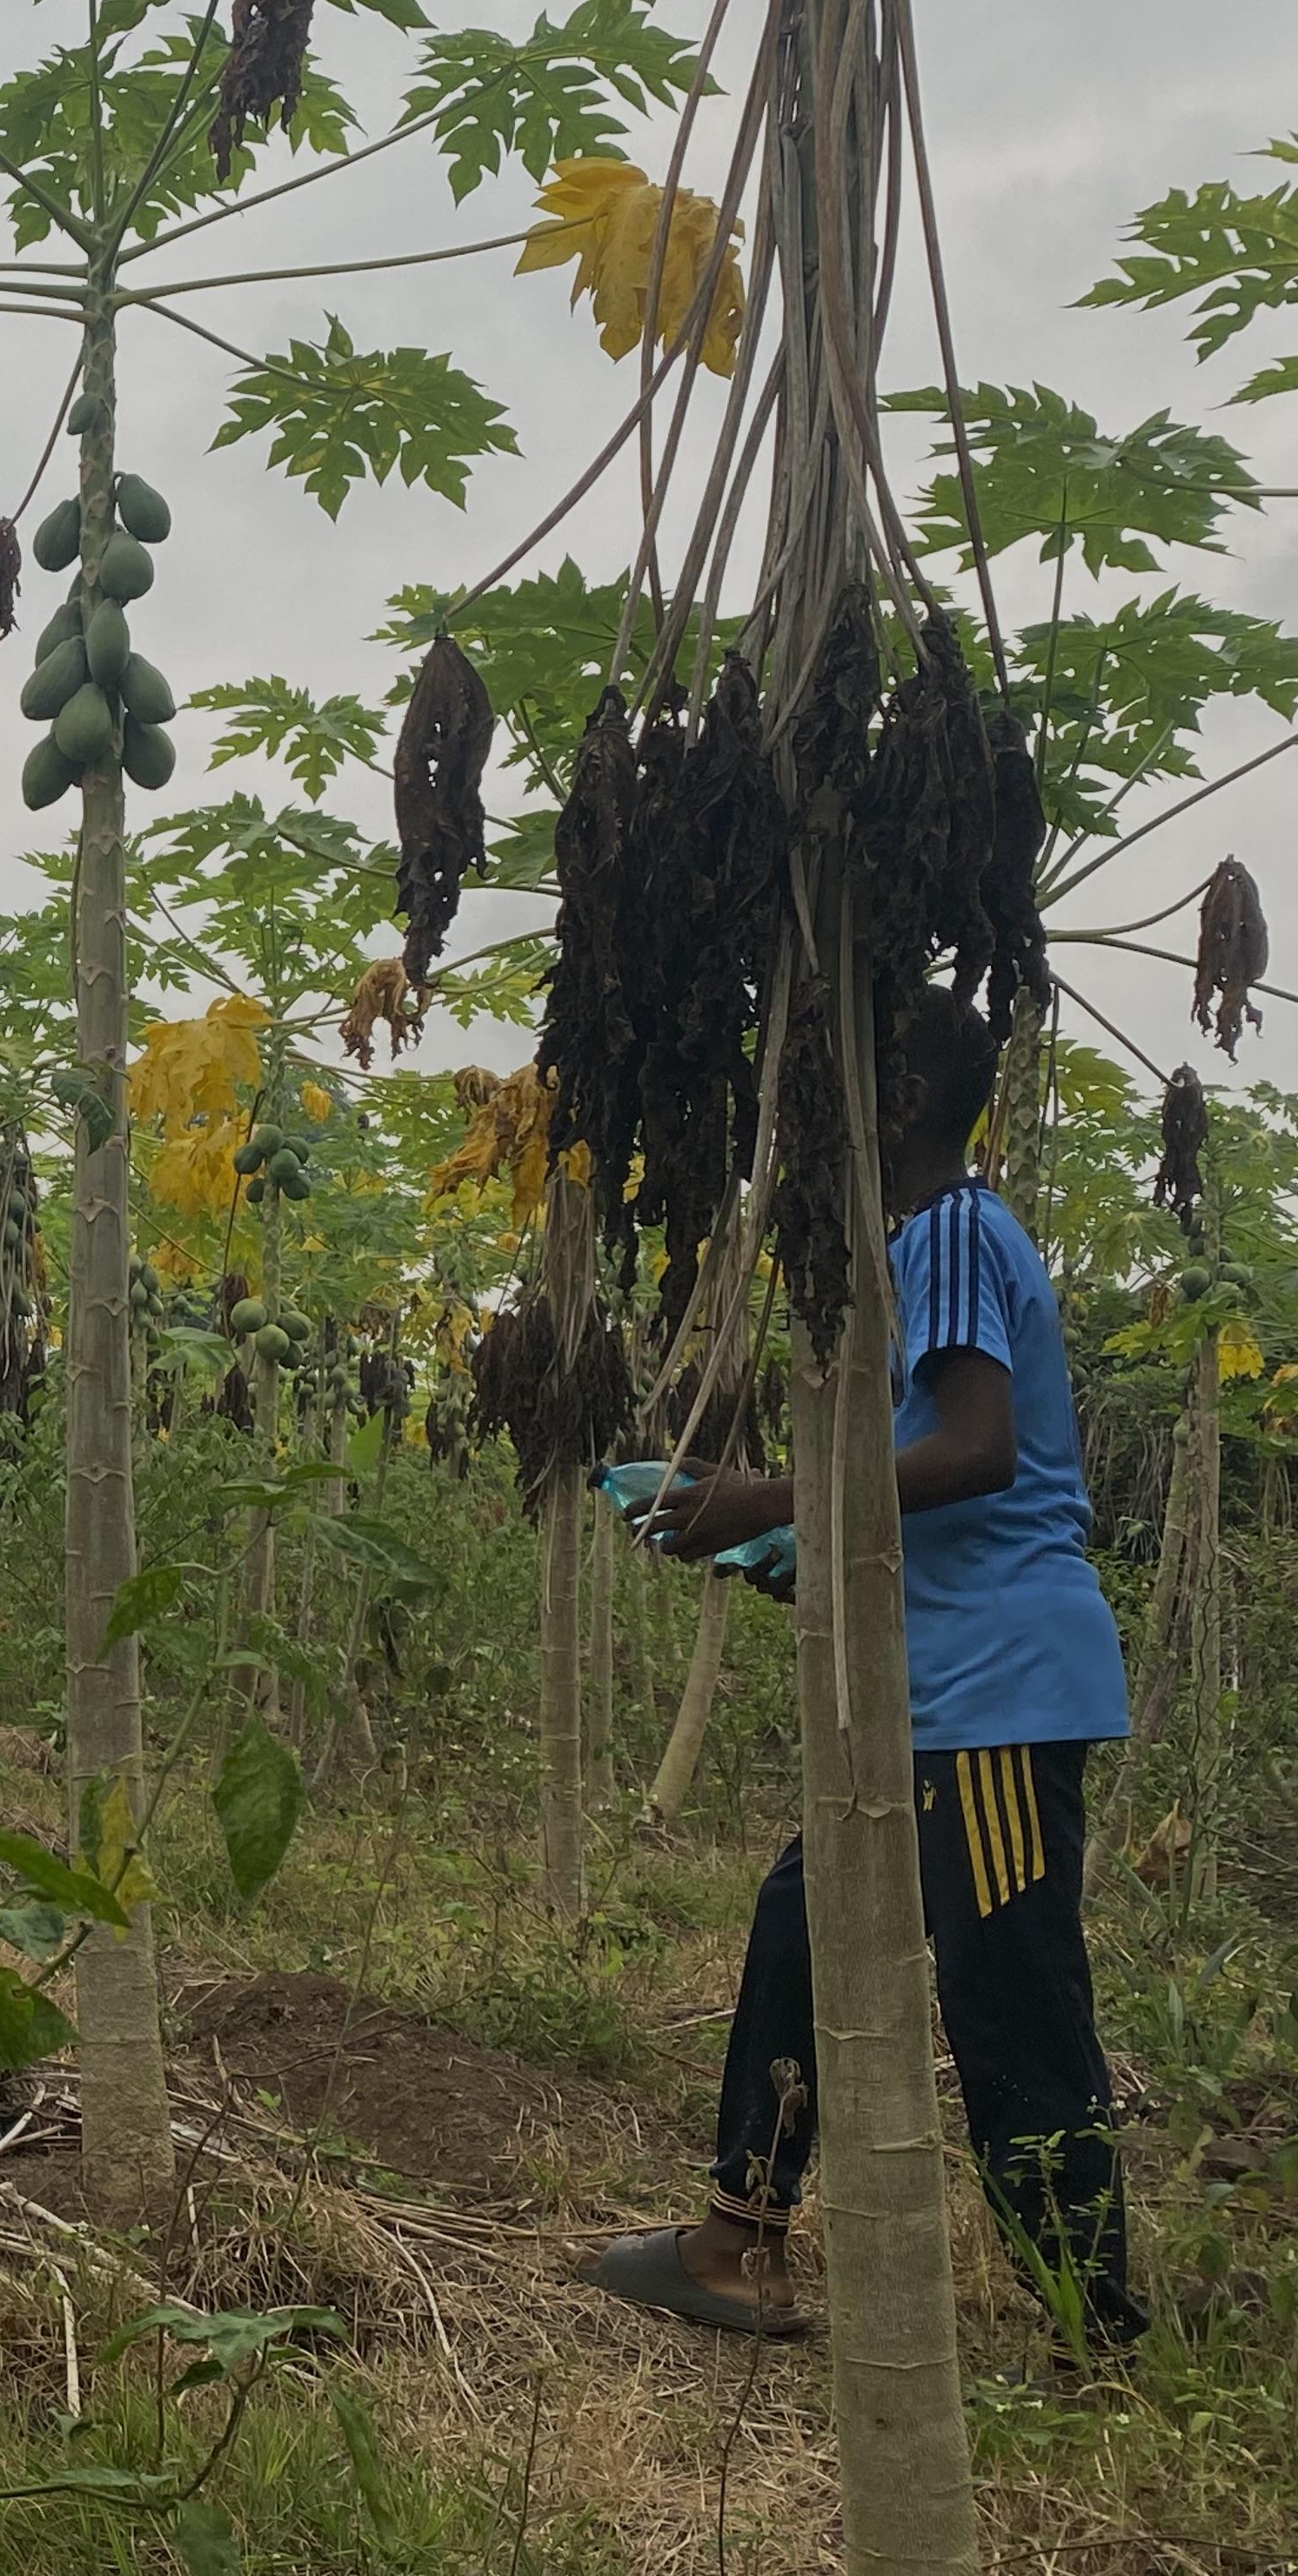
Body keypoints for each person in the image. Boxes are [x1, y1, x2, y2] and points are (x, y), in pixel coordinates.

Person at [592, 985, 1146, 2347]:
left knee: (1011, 1999)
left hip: (1001, 1698)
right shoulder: (918, 1242)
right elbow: (925, 1488)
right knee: (804, 1927)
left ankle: (1101, 2322)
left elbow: (978, 1452)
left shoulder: (956, 1225)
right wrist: (792, 1548)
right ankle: (738, 2239)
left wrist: (767, 1502)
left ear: (895, 1098)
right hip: (938, 1686)